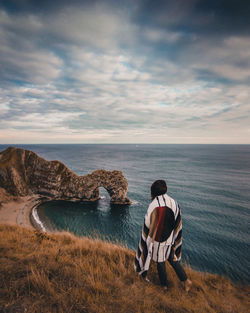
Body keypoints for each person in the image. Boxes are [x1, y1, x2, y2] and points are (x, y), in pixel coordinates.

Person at [134, 179, 192, 291]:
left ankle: (164, 287)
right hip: (170, 239)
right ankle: (186, 281)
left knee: (160, 262)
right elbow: (177, 221)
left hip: (158, 240)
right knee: (172, 259)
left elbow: (148, 224)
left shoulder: (154, 205)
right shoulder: (174, 202)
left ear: (153, 191)